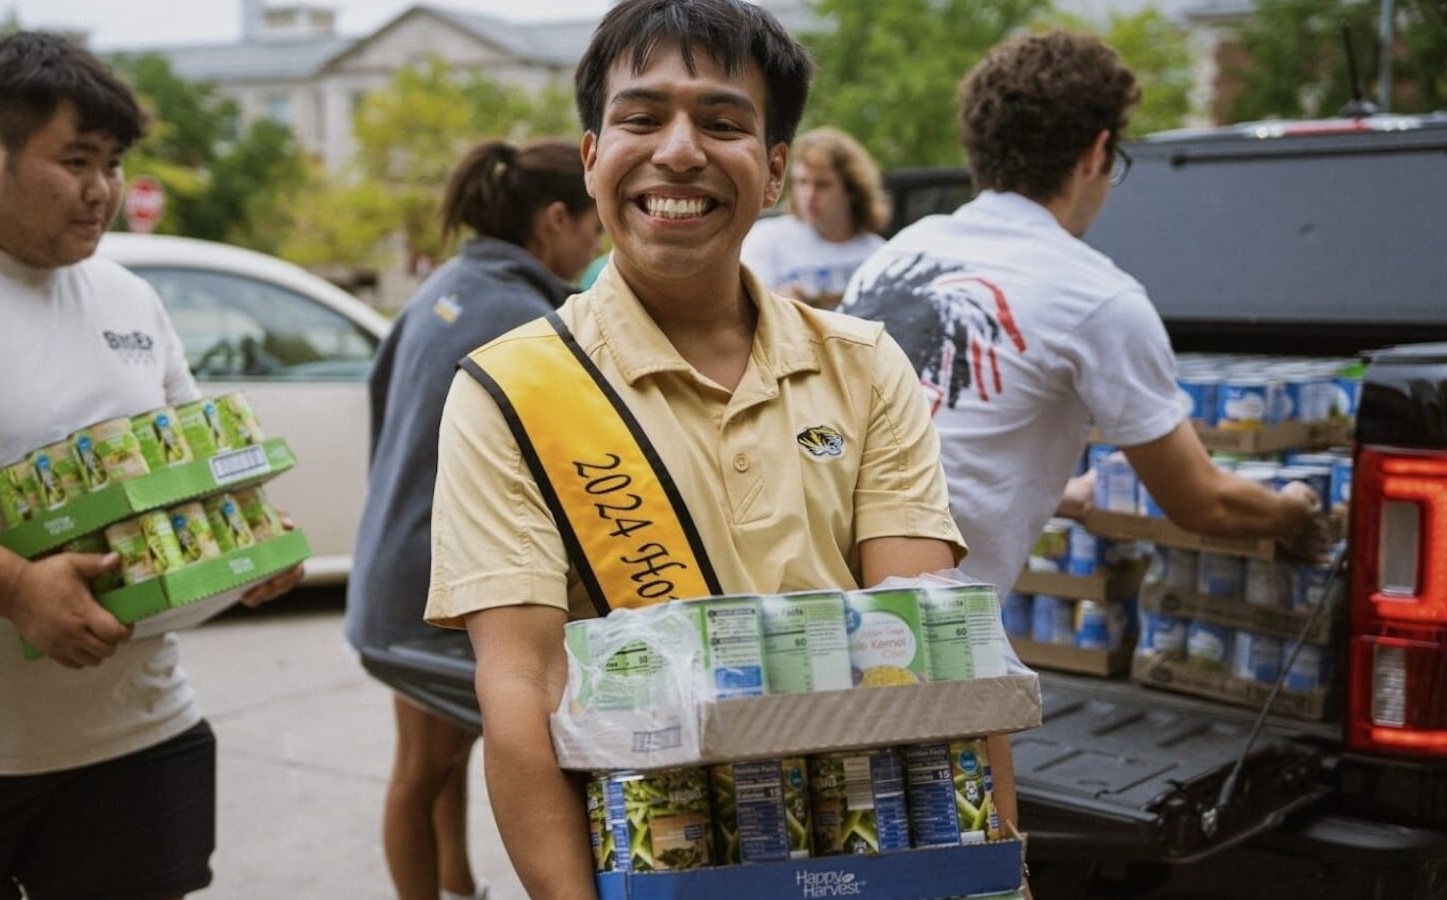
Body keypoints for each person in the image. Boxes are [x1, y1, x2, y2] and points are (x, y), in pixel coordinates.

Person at [421, 1, 968, 896]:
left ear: (775, 171)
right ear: (593, 155)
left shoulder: (866, 367)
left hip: (865, 861)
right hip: (650, 866)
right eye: (641, 118)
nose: (679, 151)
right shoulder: (508, 390)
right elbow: (523, 685)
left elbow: (931, 656)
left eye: (723, 123)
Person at [0, 31, 300, 899]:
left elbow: (190, 465)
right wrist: (17, 590)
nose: (102, 191)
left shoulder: (129, 297)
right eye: (77, 161)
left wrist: (242, 550)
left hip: (135, 741)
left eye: (115, 164)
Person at [841, 30, 1326, 597]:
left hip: (814, 606)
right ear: (1094, 153)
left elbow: (928, 437)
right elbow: (1203, 502)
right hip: (927, 639)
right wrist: (1294, 514)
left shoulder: (900, 252)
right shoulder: (1094, 295)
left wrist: (1058, 494)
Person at [345, 137, 602, 900]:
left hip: (398, 572)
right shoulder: (521, 318)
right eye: (592, 227)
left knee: (433, 767)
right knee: (427, 772)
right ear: (555, 219)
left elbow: (381, 406)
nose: (596, 245)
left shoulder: (445, 286)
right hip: (439, 591)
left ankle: (460, 888)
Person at [740, 125, 889, 309]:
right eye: (802, 182)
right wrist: (777, 304)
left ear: (852, 190)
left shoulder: (880, 254)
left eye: (822, 185)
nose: (809, 195)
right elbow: (741, 309)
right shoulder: (767, 239)